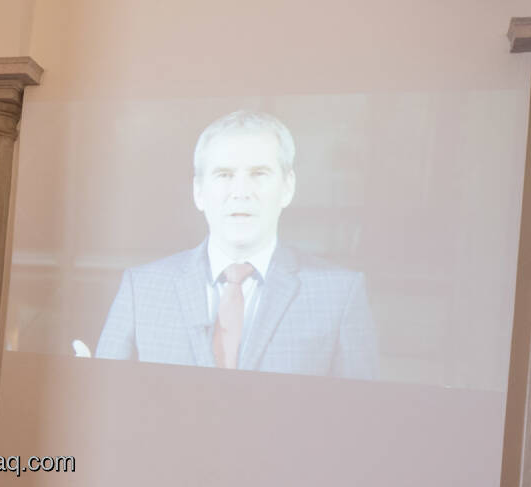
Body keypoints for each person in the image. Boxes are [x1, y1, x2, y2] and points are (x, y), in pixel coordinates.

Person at [95, 110, 377, 379]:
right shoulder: (141, 288)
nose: (241, 192)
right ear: (198, 192)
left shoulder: (340, 294)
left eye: (259, 174)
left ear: (288, 187)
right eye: (224, 175)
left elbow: (361, 417)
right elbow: (105, 405)